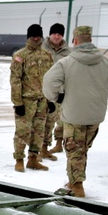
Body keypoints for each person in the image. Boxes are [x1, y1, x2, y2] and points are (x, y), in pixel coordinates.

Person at [42, 25, 108, 198]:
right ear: (90, 40)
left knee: (75, 150)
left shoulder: (66, 62)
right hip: (95, 114)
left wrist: (57, 98)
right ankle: (75, 179)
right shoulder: (106, 61)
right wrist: (105, 92)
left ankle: (77, 186)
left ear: (74, 41)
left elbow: (49, 82)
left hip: (74, 114)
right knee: (83, 149)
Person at [9, 24, 54, 172]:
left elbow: (51, 79)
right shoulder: (20, 56)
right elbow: (15, 80)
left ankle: (33, 159)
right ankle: (19, 159)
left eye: (38, 35)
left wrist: (51, 100)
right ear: (28, 37)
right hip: (26, 101)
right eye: (33, 35)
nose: (36, 38)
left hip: (42, 100)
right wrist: (18, 102)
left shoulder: (47, 56)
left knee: (39, 131)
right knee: (23, 131)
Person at [41, 23, 71, 159]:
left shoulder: (68, 52)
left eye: (59, 34)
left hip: (60, 91)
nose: (57, 36)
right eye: (54, 33)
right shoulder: (42, 48)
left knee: (59, 119)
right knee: (43, 121)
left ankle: (58, 144)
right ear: (50, 34)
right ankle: (42, 148)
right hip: (43, 90)